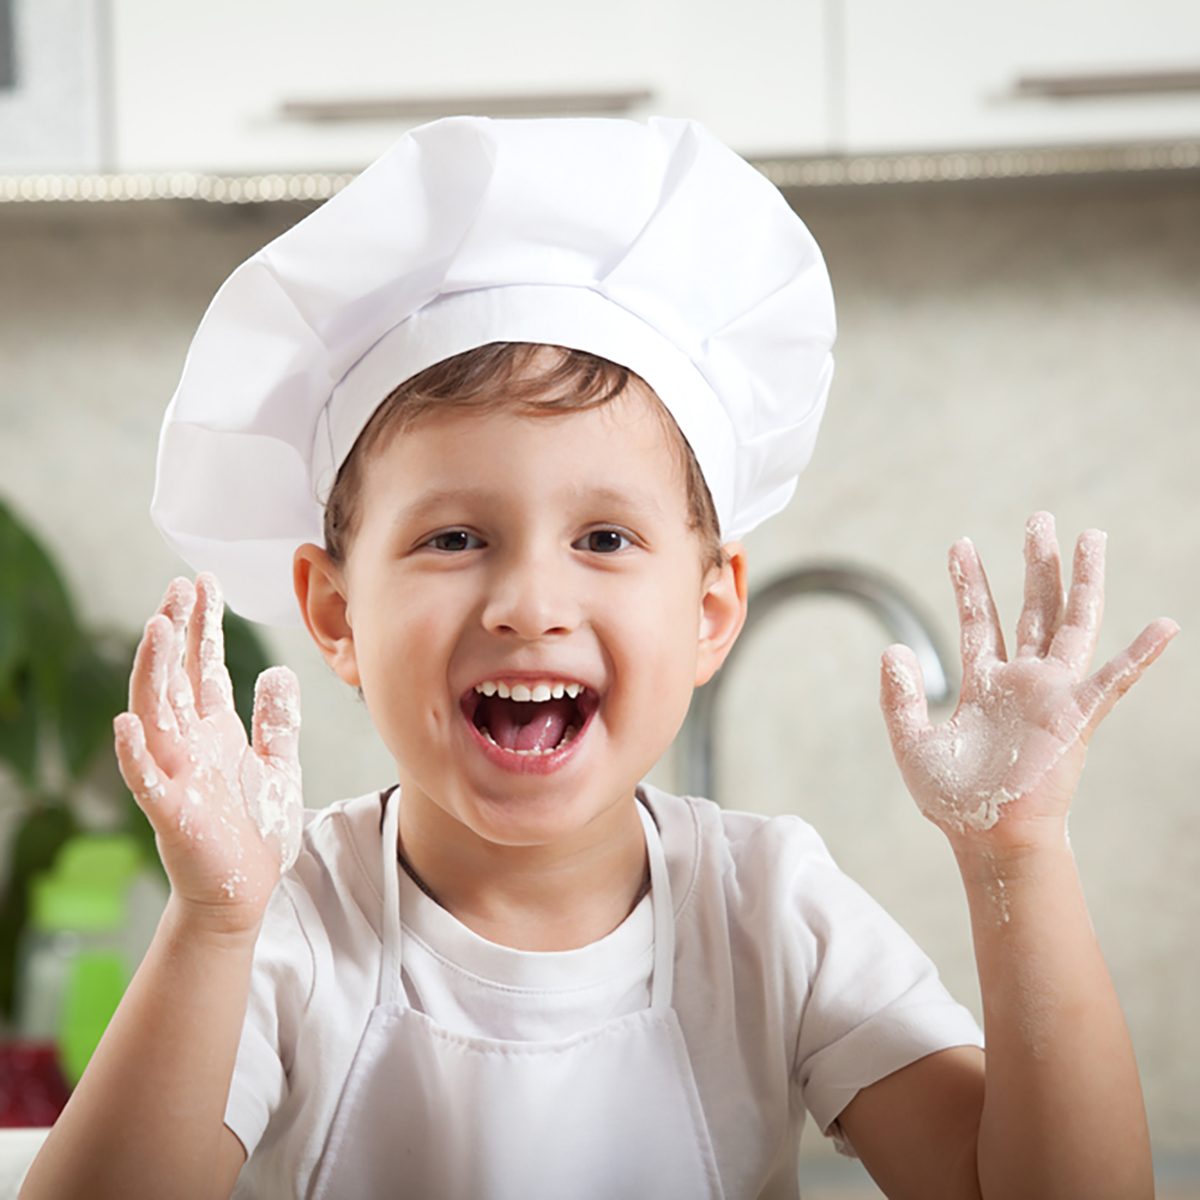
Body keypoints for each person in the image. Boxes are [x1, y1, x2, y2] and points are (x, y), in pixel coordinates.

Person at [21, 115, 1177, 1200]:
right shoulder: (289, 926)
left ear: (711, 610)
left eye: (605, 539)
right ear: (335, 614)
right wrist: (213, 921)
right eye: (454, 538)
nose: (530, 604)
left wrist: (1017, 859)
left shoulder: (770, 912)